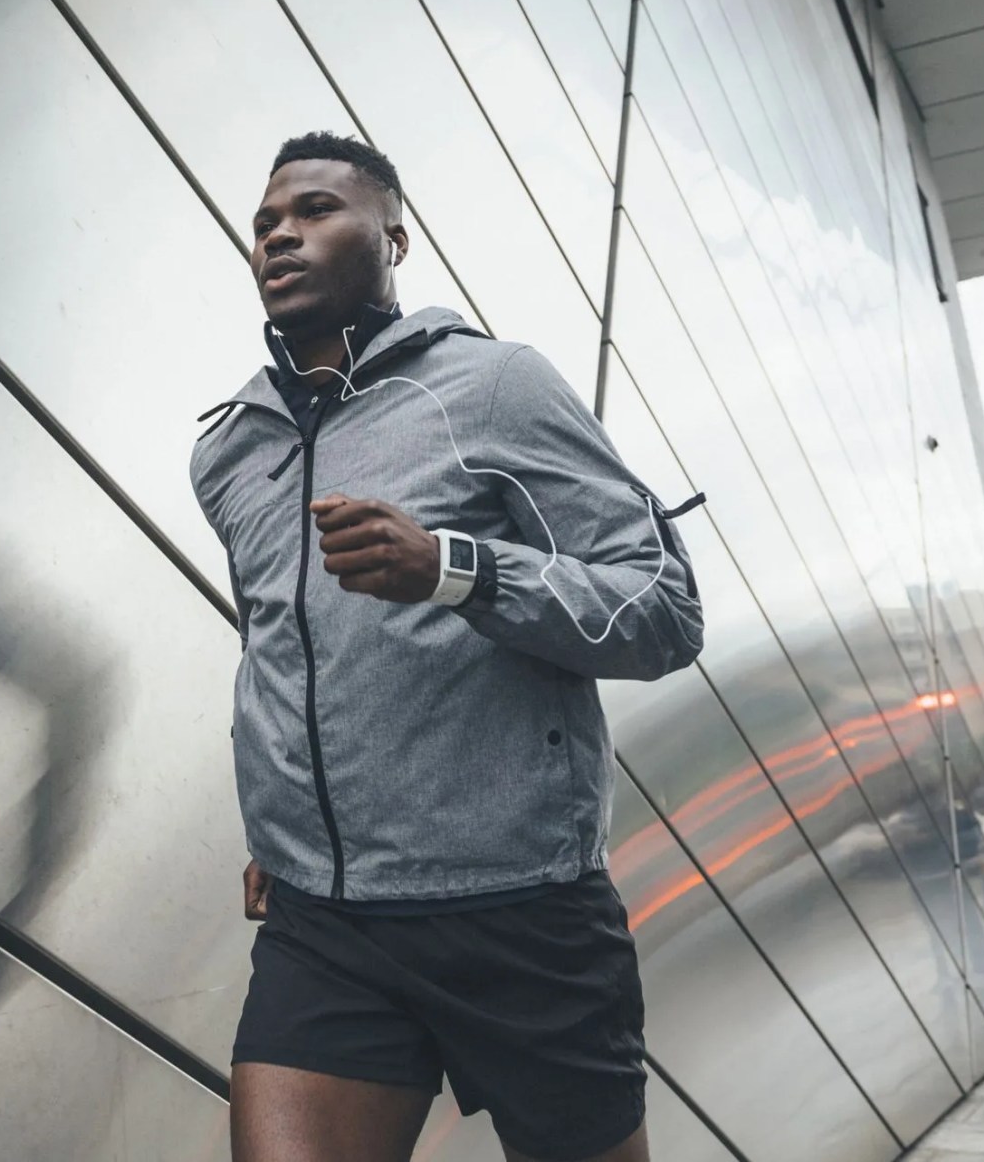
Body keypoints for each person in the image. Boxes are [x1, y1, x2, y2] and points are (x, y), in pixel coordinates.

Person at [191, 132, 706, 1162]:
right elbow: (284, 649)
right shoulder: (230, 449)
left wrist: (453, 568)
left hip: (520, 912)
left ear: (394, 237)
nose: (282, 232)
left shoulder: (495, 387)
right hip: (326, 922)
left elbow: (665, 606)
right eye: (266, 221)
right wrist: (287, 815)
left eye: (318, 210)